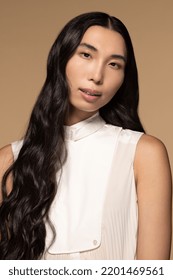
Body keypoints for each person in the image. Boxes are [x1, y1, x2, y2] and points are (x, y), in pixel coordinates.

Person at [0, 12, 172, 260]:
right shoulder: (10, 160)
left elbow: (154, 272)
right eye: (86, 55)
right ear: (61, 59)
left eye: (114, 64)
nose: (97, 76)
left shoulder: (142, 153)